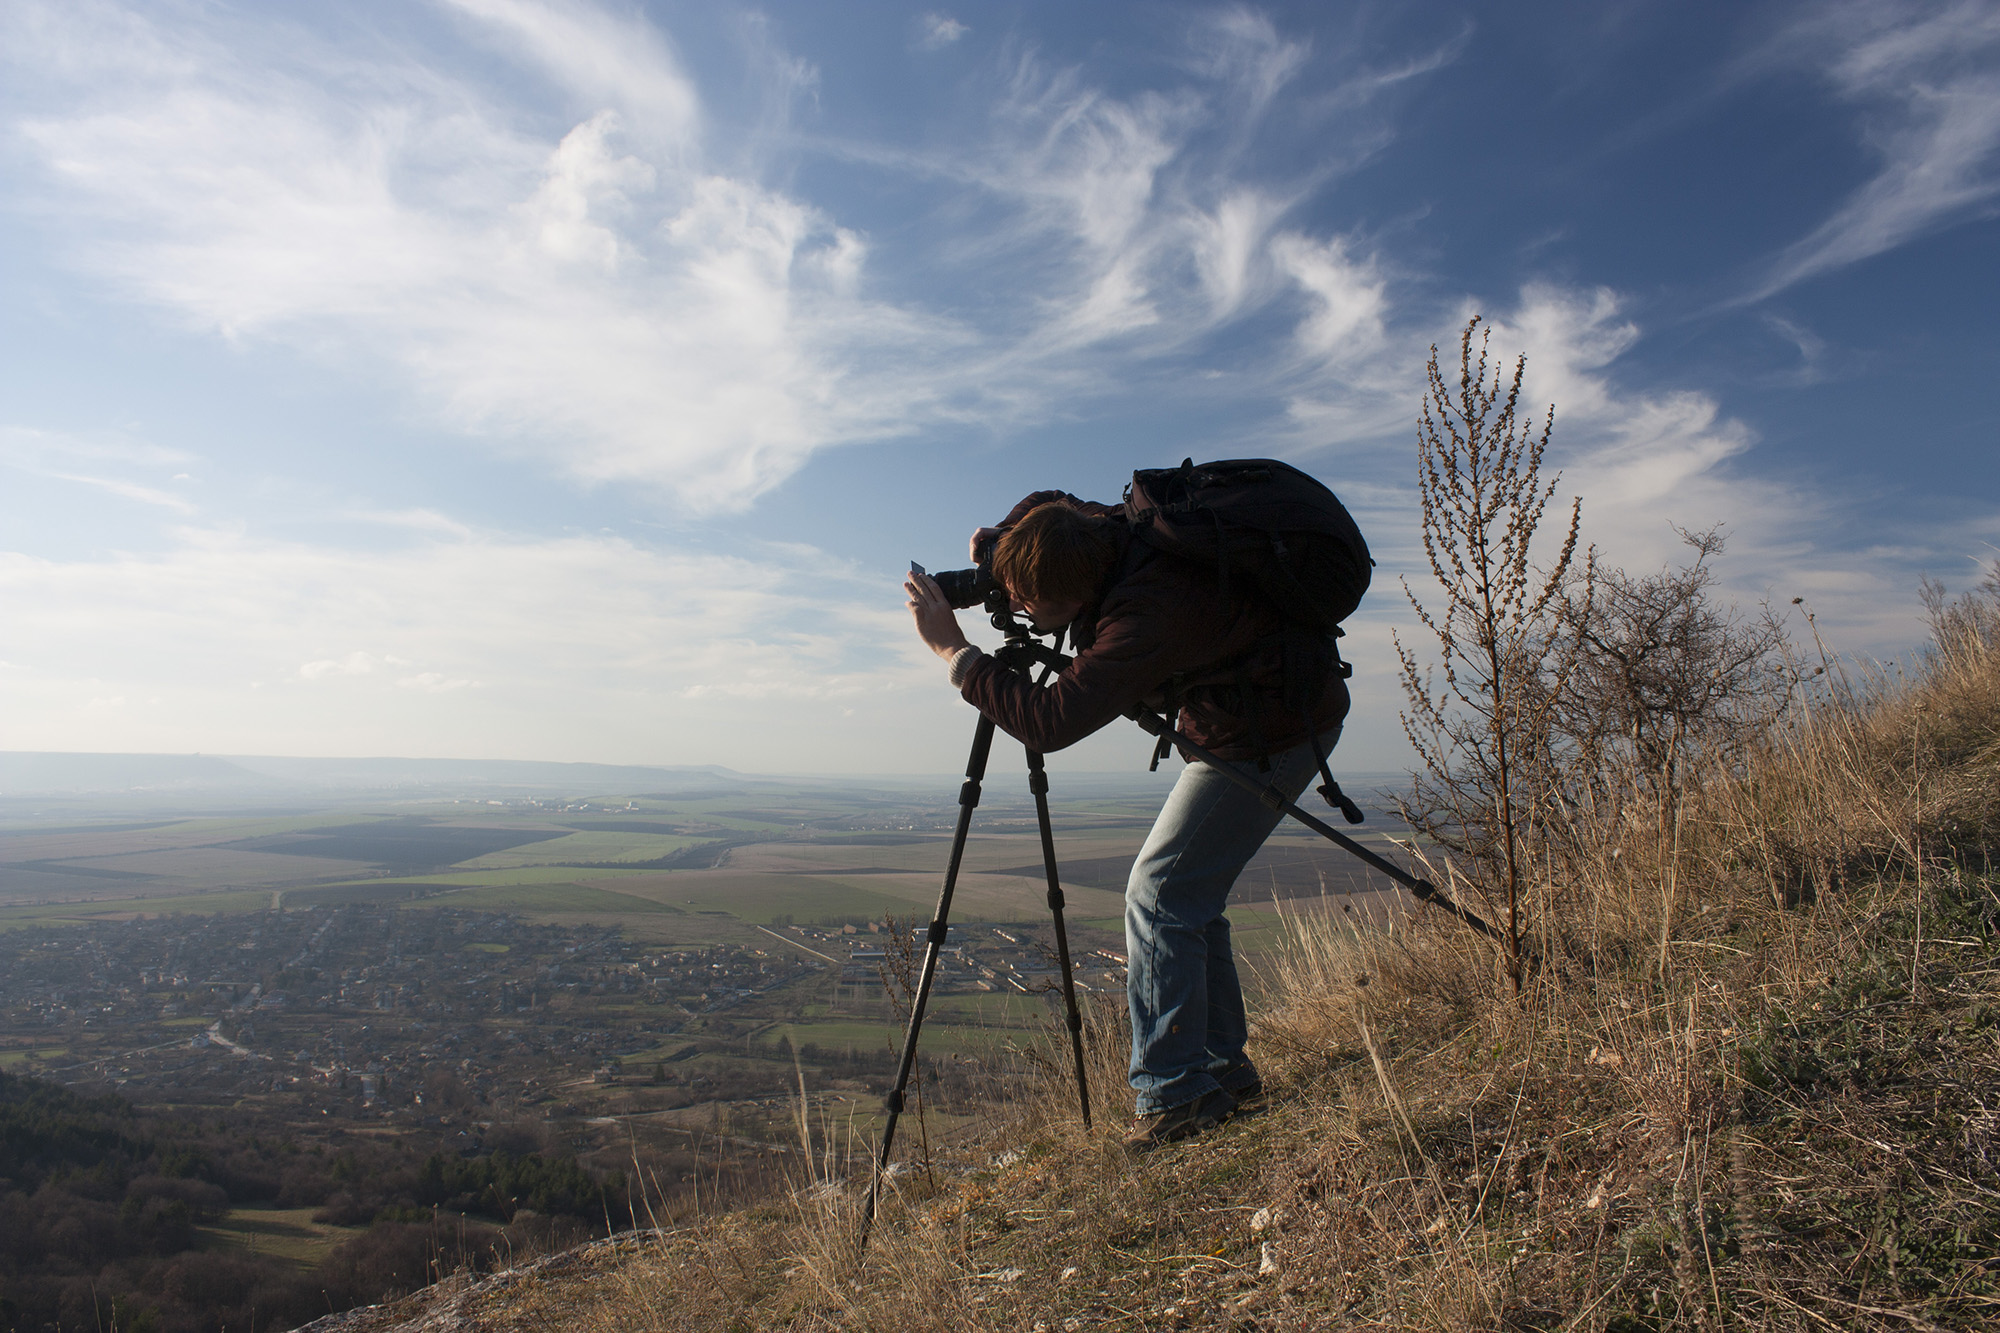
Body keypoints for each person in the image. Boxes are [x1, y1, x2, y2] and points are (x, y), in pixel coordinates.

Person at [904, 490, 1350, 1149]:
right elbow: (1051, 501)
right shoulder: (1104, 529)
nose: (1020, 610)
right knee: (1187, 896)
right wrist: (1002, 540)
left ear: (1074, 598)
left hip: (1277, 732)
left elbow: (1049, 722)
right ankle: (1222, 1071)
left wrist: (958, 655)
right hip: (1248, 718)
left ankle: (1175, 1095)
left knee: (1161, 891)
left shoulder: (1144, 613)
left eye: (1029, 600)